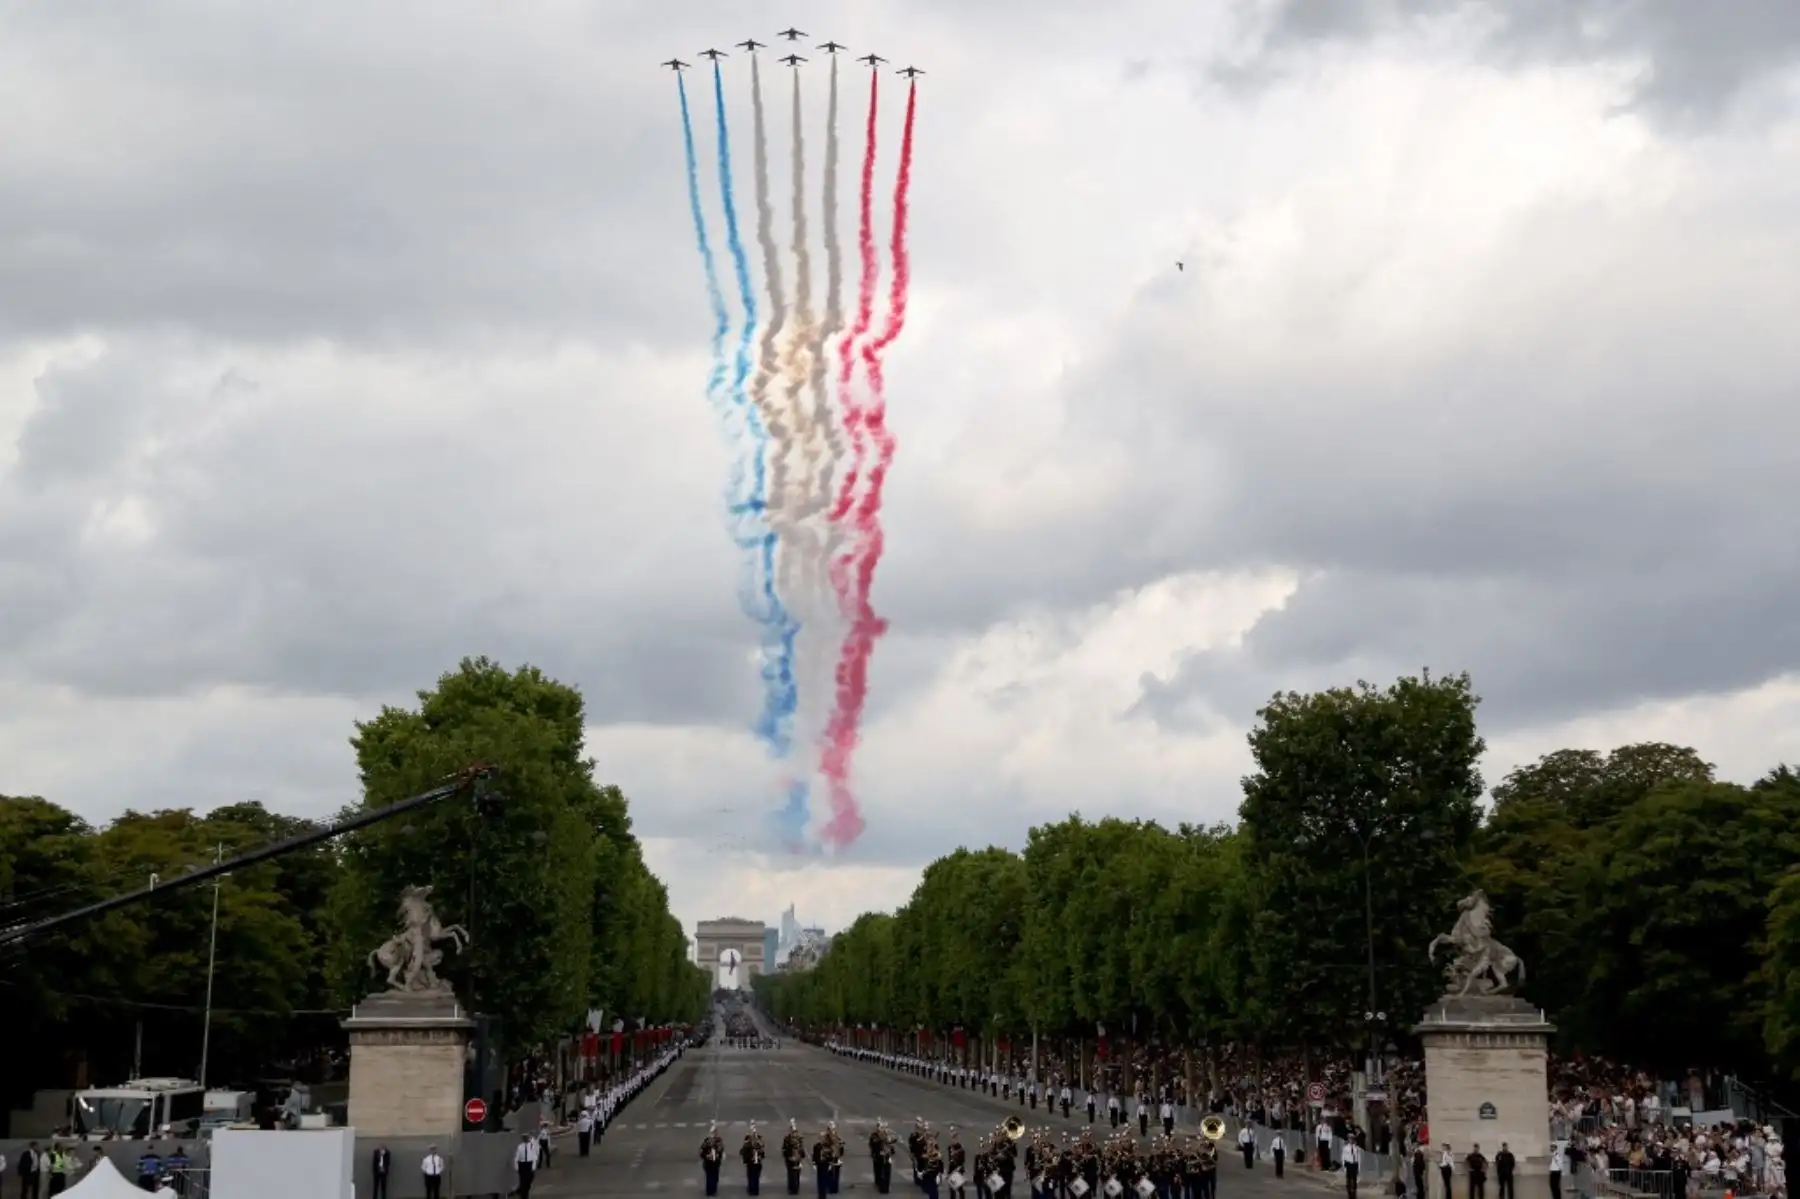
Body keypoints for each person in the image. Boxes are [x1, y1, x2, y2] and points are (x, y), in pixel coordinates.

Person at [782, 1120, 807, 1195]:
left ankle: (794, 1188)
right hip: (793, 1158)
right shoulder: (789, 1138)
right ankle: (793, 1188)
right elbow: (785, 1148)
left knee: (794, 1174)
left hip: (795, 1158)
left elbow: (801, 1148)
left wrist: (802, 1156)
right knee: (793, 1174)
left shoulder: (796, 1138)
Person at [700, 1122, 724, 1196]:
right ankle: (709, 1191)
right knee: (709, 1177)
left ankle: (713, 1190)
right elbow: (702, 1152)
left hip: (716, 1163)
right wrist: (706, 1156)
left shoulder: (718, 1141)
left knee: (715, 1177)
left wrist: (718, 1153)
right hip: (708, 1163)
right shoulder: (706, 1141)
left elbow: (721, 1149)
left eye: (715, 1133)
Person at [513, 1131, 539, 1199]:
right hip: (522, 1164)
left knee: (529, 1179)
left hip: (529, 1164)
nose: (526, 1139)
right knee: (523, 1180)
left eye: (527, 1137)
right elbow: (517, 1157)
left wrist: (533, 1166)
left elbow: (534, 1156)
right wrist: (517, 1166)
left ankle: (524, 1191)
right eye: (524, 1138)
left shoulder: (531, 1146)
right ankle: (524, 1195)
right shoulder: (520, 1146)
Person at [743, 1122, 766, 1195]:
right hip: (751, 1162)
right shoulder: (748, 1144)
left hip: (756, 1162)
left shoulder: (759, 1144)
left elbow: (762, 1153)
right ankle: (752, 1190)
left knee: (755, 1177)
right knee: (752, 1177)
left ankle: (754, 1190)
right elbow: (743, 1152)